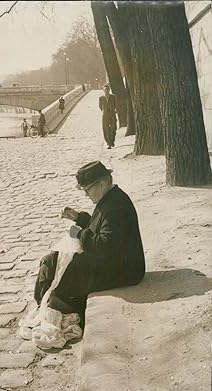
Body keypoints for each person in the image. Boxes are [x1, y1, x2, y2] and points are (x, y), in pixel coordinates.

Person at [34, 161, 145, 314]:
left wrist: (79, 234)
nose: (86, 195)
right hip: (117, 261)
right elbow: (100, 228)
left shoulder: (115, 208)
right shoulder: (110, 198)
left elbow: (103, 245)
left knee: (56, 266)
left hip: (123, 269)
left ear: (103, 183)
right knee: (53, 260)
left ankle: (54, 305)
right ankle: (48, 303)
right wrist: (78, 218)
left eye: (87, 190)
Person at [99, 84, 118, 149]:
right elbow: (100, 106)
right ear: (103, 90)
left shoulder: (113, 97)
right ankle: (108, 143)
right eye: (105, 90)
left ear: (109, 90)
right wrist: (104, 110)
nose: (106, 91)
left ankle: (112, 141)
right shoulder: (101, 98)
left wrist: (113, 109)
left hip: (112, 115)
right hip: (105, 116)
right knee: (106, 129)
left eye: (107, 89)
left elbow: (116, 105)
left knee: (113, 129)